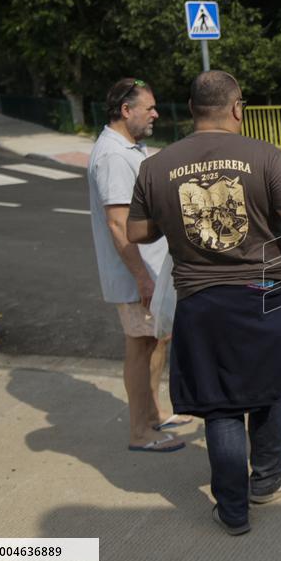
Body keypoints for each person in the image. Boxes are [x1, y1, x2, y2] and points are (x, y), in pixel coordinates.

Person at [127, 70, 281, 536]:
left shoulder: (156, 165)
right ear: (237, 108)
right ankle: (267, 478)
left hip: (200, 302)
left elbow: (137, 232)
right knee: (267, 387)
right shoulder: (263, 155)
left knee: (221, 404)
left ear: (190, 110)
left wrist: (177, 217)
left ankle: (232, 511)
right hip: (264, 298)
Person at [88, 78, 190, 454]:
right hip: (138, 274)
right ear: (125, 110)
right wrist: (143, 279)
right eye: (148, 108)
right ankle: (139, 431)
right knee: (140, 346)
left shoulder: (130, 148)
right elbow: (118, 224)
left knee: (156, 340)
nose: (155, 114)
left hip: (150, 270)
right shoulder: (114, 156)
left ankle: (153, 416)